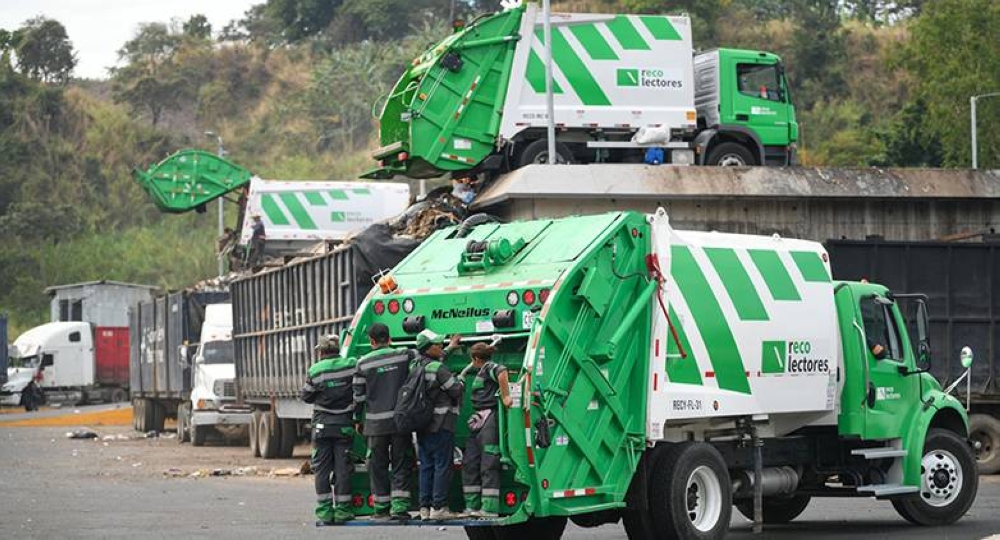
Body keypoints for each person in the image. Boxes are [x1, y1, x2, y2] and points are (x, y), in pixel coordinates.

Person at [353, 323, 415, 521]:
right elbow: (422, 356)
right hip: (399, 422)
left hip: (375, 424)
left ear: (371, 341)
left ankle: (381, 508)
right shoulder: (404, 355)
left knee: (377, 465)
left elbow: (358, 397)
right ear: (389, 338)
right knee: (401, 462)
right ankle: (400, 507)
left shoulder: (362, 363)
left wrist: (356, 419)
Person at [301, 335, 357, 525]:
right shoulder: (350, 365)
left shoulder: (315, 371)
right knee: (342, 469)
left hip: (322, 427)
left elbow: (306, 397)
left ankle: (325, 511)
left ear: (322, 352)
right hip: (344, 426)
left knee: (322, 470)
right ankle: (342, 511)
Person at [413, 329, 464, 521]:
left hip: (422, 426)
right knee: (443, 465)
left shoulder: (415, 365)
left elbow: (437, 359)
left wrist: (450, 348)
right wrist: (461, 379)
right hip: (441, 424)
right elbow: (456, 390)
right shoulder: (438, 369)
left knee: (426, 466)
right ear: (428, 348)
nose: (440, 346)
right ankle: (439, 506)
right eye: (437, 344)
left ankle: (425, 508)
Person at [461, 342, 511, 518]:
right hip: (480, 419)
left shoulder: (489, 367)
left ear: (475, 359)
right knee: (470, 462)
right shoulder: (480, 371)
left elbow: (502, 372)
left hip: (490, 418)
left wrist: (506, 397)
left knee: (488, 463)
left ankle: (489, 508)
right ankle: (472, 507)